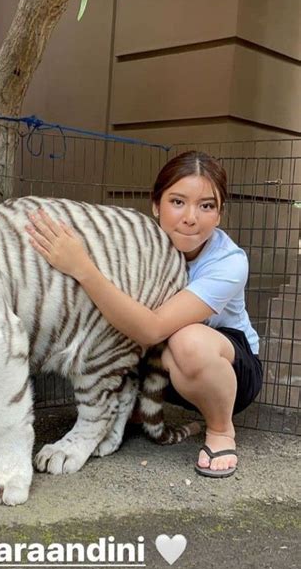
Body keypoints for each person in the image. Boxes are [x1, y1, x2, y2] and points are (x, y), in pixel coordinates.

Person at [25, 151, 263, 478]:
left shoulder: (229, 262)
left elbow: (153, 329)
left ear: (219, 214)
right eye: (177, 202)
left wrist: (81, 266)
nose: (190, 217)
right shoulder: (140, 241)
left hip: (225, 363)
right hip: (162, 360)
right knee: (115, 311)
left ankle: (221, 430)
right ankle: (131, 406)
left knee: (187, 339)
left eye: (206, 206)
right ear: (156, 205)